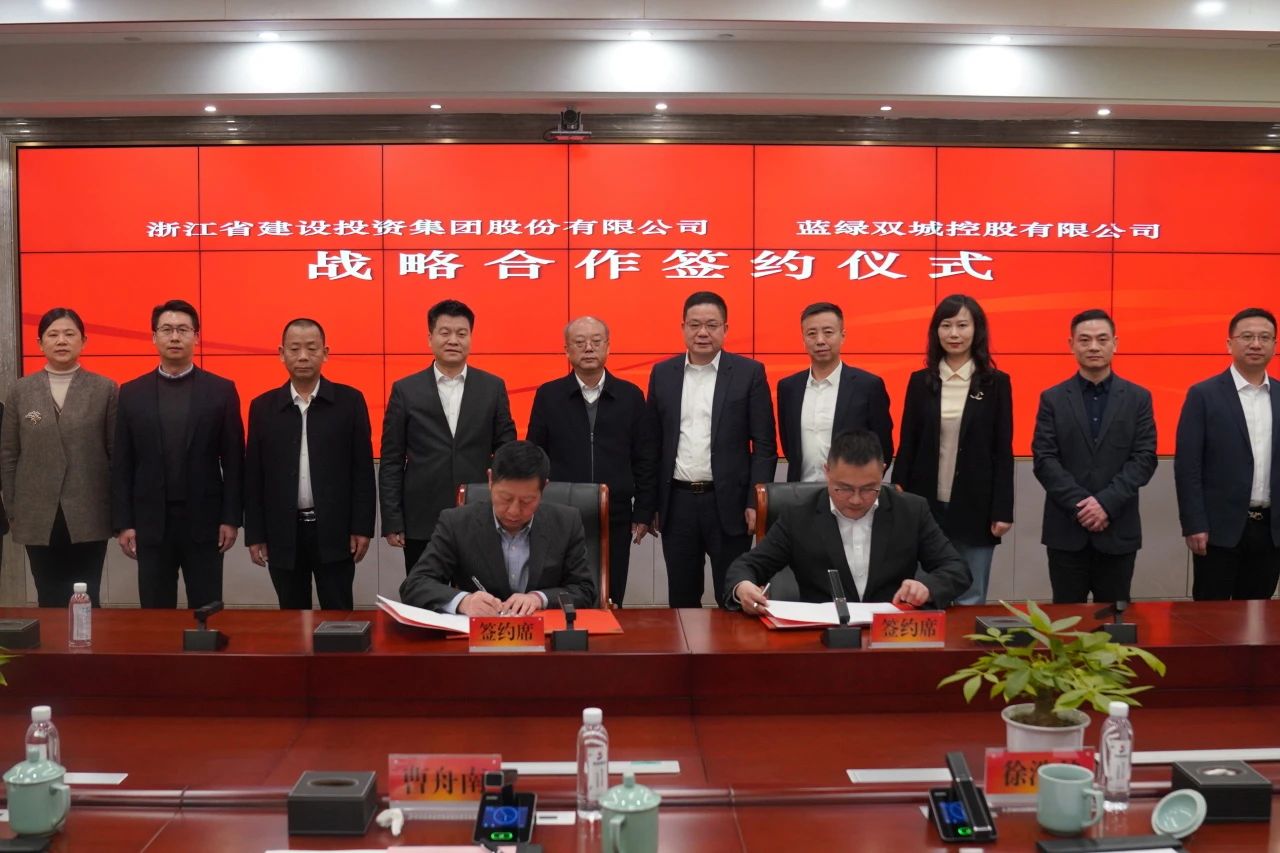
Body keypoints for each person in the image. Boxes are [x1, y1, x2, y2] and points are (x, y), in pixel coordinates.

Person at [726, 429, 970, 612]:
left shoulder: (911, 511)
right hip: (821, 639)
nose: (855, 499)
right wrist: (743, 587)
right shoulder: (798, 516)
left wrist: (928, 587)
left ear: (882, 471)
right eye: (843, 488)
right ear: (827, 472)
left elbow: (956, 569)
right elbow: (746, 567)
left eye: (868, 489)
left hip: (890, 636)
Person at [645, 291, 777, 608]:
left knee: (733, 596)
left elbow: (764, 445)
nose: (702, 333)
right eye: (695, 325)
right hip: (678, 503)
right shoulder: (663, 374)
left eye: (711, 325)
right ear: (683, 328)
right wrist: (651, 504)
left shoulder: (749, 373)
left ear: (725, 329)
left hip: (730, 504)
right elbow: (652, 444)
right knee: (682, 599)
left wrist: (755, 501)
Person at [111, 299, 243, 609]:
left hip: (205, 522)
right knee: (155, 613)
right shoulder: (131, 392)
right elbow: (122, 463)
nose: (174, 337)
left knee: (207, 610)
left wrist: (231, 519)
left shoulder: (221, 390)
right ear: (153, 337)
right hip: (150, 523)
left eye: (183, 330)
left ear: (196, 337)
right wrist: (124, 523)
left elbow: (235, 461)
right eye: (166, 329)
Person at [243, 319, 376, 610]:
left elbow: (363, 472)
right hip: (282, 532)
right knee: (291, 616)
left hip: (335, 531)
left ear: (325, 353)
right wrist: (255, 534)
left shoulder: (350, 402)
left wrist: (362, 527)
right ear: (281, 354)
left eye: (312, 348)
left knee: (338, 614)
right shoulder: (263, 407)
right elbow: (253, 477)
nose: (303, 356)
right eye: (294, 349)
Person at [891, 294, 1014, 605]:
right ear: (936, 331)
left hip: (977, 504)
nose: (954, 334)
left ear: (977, 330)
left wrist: (1003, 509)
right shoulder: (921, 382)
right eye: (946, 325)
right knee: (922, 595)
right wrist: (898, 492)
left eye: (962, 325)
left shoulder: (996, 383)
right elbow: (908, 442)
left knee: (970, 595)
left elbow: (1002, 450)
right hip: (925, 503)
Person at [526, 316, 656, 605]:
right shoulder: (549, 395)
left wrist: (644, 511)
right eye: (579, 342)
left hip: (615, 511)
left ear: (608, 347)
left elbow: (645, 458)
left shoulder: (630, 396)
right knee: (563, 592)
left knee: (611, 593)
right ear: (567, 350)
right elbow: (535, 454)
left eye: (596, 341)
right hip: (559, 512)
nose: (588, 348)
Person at [380, 299, 517, 573]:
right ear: (430, 338)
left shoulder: (492, 387)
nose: (453, 340)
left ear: (470, 338)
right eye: (445, 333)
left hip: (480, 513)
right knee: (426, 590)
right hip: (421, 517)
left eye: (461, 333)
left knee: (479, 591)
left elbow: (506, 451)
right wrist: (393, 519)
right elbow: (392, 459)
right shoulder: (405, 390)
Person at [1032, 309, 1157, 604]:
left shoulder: (1138, 398)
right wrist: (1082, 506)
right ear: (1071, 344)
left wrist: (1105, 504)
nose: (1093, 347)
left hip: (1118, 528)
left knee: (1115, 619)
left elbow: (1144, 458)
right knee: (1065, 619)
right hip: (1067, 531)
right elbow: (1044, 459)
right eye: (1085, 340)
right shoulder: (1053, 398)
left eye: (1102, 339)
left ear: (1115, 343)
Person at [1, 307, 117, 607]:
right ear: (40, 343)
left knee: (87, 595)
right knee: (48, 595)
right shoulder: (21, 391)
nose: (61, 340)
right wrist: (14, 508)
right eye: (52, 335)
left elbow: (115, 454)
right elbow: (9, 455)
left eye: (69, 334)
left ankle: (87, 639)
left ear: (83, 341)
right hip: (37, 513)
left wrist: (116, 508)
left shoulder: (104, 389)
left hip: (89, 511)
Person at [400, 440, 596, 614]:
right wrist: (464, 602)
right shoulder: (456, 523)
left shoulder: (566, 523)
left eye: (527, 501)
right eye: (505, 498)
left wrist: (539, 599)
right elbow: (415, 584)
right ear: (490, 480)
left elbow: (584, 590)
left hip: (543, 636)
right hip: (479, 636)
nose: (514, 511)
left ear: (544, 487)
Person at [1175, 307, 1280, 601]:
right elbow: (1188, 466)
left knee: (1258, 618)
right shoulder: (1203, 395)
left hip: (1270, 531)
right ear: (1229, 343)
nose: (1256, 344)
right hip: (1218, 530)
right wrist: (1194, 523)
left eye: (1264, 337)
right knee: (1211, 618)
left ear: (1274, 345)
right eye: (1247, 336)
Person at [777, 301, 894, 481]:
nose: (820, 340)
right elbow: (789, 446)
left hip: (852, 493)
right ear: (803, 339)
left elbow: (883, 449)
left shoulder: (868, 386)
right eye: (811, 333)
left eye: (828, 332)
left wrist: (860, 488)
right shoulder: (789, 388)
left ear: (842, 336)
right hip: (800, 492)